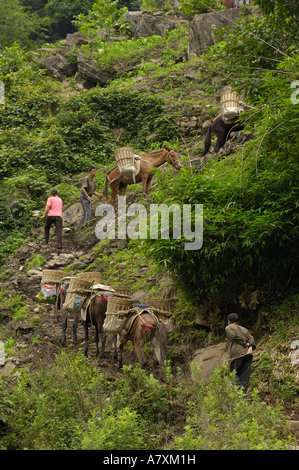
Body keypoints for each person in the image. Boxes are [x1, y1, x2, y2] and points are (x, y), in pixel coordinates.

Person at [225, 313, 256, 392]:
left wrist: (244, 343)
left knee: (233, 373)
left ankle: (239, 391)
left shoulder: (228, 328)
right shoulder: (244, 329)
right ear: (238, 321)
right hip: (247, 354)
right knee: (244, 375)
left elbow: (234, 337)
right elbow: (251, 339)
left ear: (229, 322)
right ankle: (243, 396)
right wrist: (250, 347)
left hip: (237, 354)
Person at [76, 166, 102, 230]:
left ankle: (79, 227)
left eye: (95, 171)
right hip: (84, 196)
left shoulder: (93, 181)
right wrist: (88, 196)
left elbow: (93, 191)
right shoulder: (86, 178)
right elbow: (83, 188)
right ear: (89, 171)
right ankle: (86, 227)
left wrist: (98, 195)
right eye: (93, 171)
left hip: (88, 197)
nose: (94, 173)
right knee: (88, 212)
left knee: (86, 212)